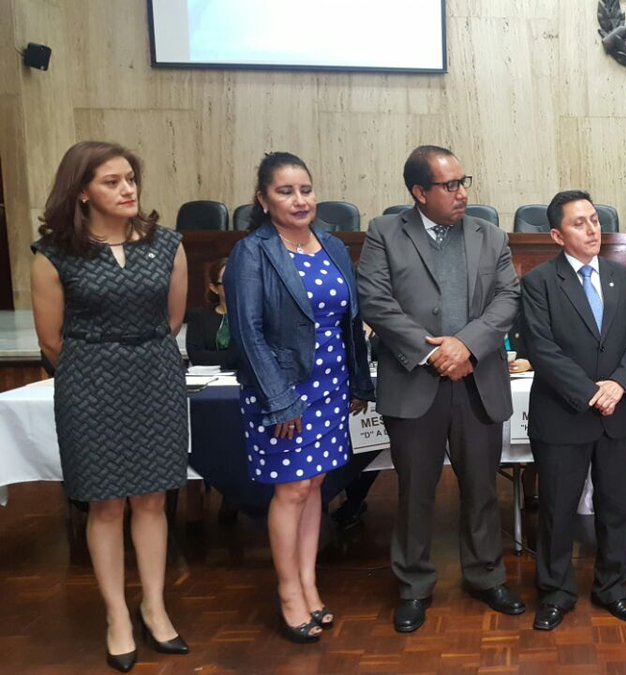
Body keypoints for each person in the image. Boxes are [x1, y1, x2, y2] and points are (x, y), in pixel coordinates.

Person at [30, 141, 190, 672]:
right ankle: (117, 615)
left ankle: (154, 606)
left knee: (152, 500)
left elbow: (172, 320)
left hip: (155, 378)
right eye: (112, 181)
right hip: (89, 385)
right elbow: (50, 341)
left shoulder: (167, 243)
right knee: (105, 505)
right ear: (82, 192)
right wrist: (99, 364)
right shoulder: (53, 254)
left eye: (130, 179)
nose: (127, 189)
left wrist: (137, 354)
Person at [357, 145, 524, 634]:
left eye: (462, 182)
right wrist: (432, 353)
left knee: (482, 488)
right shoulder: (385, 233)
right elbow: (375, 302)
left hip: (477, 381)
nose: (462, 193)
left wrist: (465, 346)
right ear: (419, 192)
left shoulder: (490, 235)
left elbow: (507, 298)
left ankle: (486, 575)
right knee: (415, 492)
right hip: (415, 382)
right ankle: (414, 585)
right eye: (450, 186)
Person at [225, 152, 375, 644]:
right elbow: (248, 334)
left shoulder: (332, 246)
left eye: (306, 190)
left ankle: (310, 584)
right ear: (263, 200)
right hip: (282, 391)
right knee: (291, 491)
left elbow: (351, 322)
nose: (299, 200)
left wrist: (358, 383)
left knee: (314, 487)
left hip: (331, 387)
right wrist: (279, 401)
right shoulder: (253, 252)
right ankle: (289, 593)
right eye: (285, 191)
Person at [519, 190, 626, 630]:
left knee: (618, 507)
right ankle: (556, 592)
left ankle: (613, 588)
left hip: (615, 417)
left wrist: (619, 384)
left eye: (594, 219)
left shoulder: (623, 278)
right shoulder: (539, 283)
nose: (592, 229)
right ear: (557, 235)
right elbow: (541, 348)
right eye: (579, 223)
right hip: (563, 415)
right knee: (558, 510)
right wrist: (592, 393)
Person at [184, 257, 237, 369]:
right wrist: (236, 357)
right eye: (227, 281)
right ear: (214, 288)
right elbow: (196, 356)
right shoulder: (199, 316)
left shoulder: (255, 316)